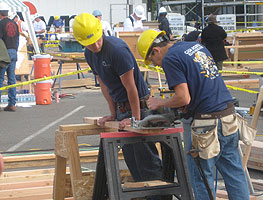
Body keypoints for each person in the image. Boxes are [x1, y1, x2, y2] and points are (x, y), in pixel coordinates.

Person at [137, 29, 250, 200]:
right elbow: (202, 84)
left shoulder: (170, 59)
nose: (156, 65)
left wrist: (160, 102)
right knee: (234, 174)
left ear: (156, 50)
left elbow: (183, 97)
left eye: (152, 60)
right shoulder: (195, 47)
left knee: (202, 178)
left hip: (206, 125)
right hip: (228, 116)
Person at [73, 13, 162, 200]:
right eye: (90, 43)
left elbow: (132, 89)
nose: (95, 45)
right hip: (123, 110)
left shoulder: (117, 50)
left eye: (97, 40)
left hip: (138, 106)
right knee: (133, 162)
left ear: (100, 33)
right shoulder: (89, 54)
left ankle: (159, 197)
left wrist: (136, 120)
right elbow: (104, 85)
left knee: (146, 162)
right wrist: (113, 114)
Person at [0, 2, 19, 112]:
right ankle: (12, 104)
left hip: (4, 53)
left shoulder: (1, 24)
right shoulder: (14, 24)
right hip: (13, 51)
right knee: (12, 79)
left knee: (1, 79)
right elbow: (17, 39)